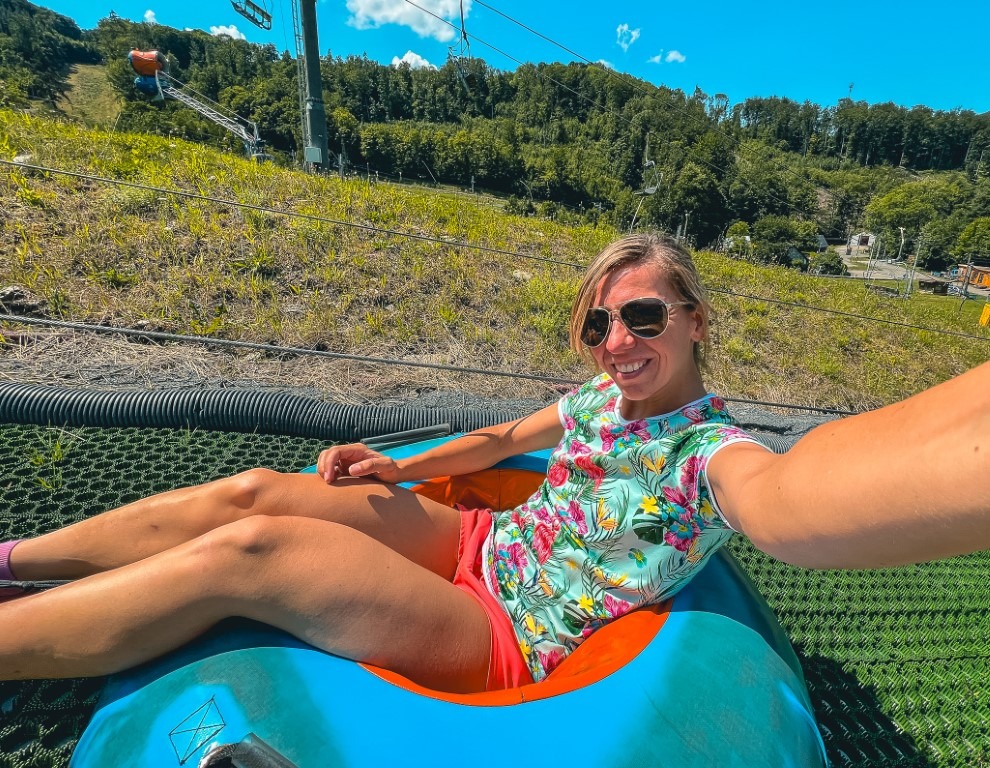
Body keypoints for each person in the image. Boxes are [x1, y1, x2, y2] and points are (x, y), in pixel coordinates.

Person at [1, 232, 987, 692]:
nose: (617, 342)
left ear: (695, 321)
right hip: (478, 541)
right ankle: (16, 562)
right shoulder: (601, 400)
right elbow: (504, 441)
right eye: (598, 324)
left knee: (251, 551)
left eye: (644, 316)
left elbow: (788, 500)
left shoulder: (711, 455)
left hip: (506, 631)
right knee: (255, 489)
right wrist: (397, 470)